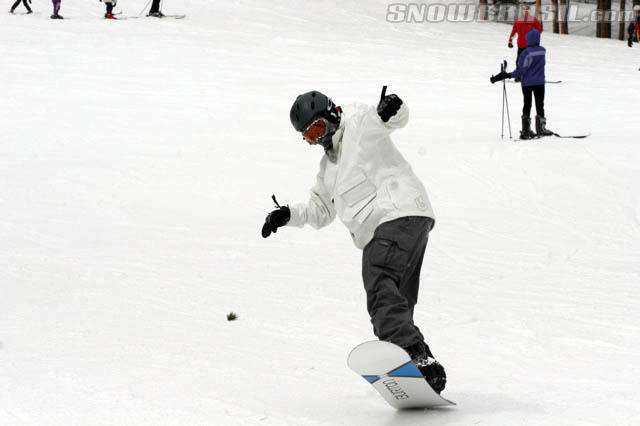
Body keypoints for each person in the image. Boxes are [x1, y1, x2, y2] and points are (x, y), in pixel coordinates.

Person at [261, 89, 447, 394]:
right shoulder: (329, 167)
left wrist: (391, 108)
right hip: (411, 221)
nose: (318, 139)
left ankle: (414, 355)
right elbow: (320, 210)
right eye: (309, 137)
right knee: (396, 298)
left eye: (318, 129)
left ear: (332, 113)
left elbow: (389, 120)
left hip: (394, 215)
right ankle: (422, 366)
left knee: (378, 280)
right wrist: (287, 215)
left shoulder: (359, 123)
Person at [491, 29, 553, 139]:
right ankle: (541, 128)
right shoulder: (543, 50)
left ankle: (526, 130)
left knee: (527, 104)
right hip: (539, 82)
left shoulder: (526, 53)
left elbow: (521, 71)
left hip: (527, 83)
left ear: (528, 39)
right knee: (540, 104)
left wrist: (509, 75)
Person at [508, 4, 542, 81]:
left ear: (529, 11)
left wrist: (535, 39)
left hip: (531, 45)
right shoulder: (518, 21)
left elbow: (539, 30)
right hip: (521, 45)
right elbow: (513, 31)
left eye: (527, 10)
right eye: (524, 10)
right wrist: (510, 41)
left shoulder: (533, 20)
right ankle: (518, 77)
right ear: (522, 11)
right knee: (519, 61)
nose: (526, 12)